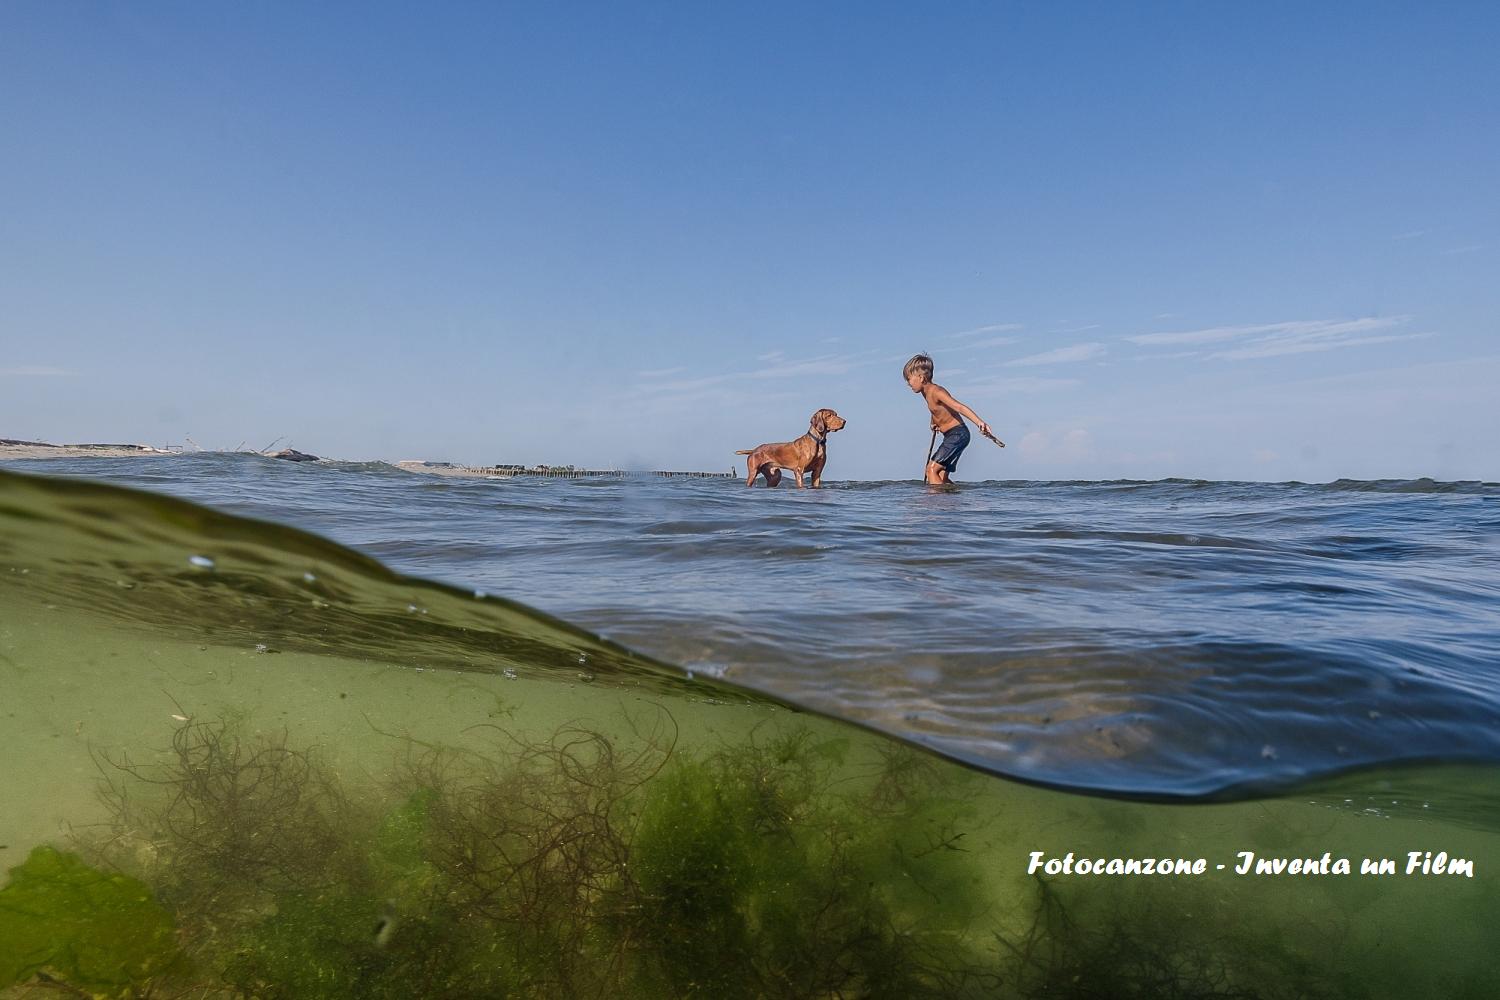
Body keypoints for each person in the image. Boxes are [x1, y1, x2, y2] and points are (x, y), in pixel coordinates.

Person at [903, 353, 1001, 484]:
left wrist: (979, 423)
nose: (908, 384)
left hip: (957, 435)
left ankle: (936, 502)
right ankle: (952, 502)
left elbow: (958, 407)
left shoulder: (936, 391)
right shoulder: (925, 393)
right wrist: (933, 422)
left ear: (921, 378)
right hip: (953, 435)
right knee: (942, 477)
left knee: (931, 470)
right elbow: (936, 409)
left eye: (909, 379)